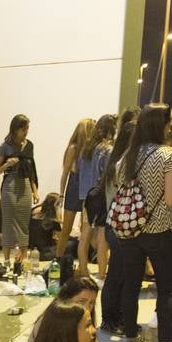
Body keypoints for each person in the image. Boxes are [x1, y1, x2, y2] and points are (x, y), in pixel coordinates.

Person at [112, 104, 172, 342]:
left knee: (130, 283)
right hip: (159, 230)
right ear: (162, 125)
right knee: (166, 289)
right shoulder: (169, 155)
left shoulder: (126, 156)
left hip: (129, 231)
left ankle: (131, 340)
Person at [57, 115, 116, 280]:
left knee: (85, 234)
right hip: (92, 194)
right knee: (95, 236)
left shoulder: (86, 150)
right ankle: (100, 274)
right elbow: (109, 175)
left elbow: (81, 174)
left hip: (86, 196)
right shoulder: (101, 149)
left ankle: (83, 270)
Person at [98, 113, 138, 330]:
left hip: (113, 226)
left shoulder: (114, 162)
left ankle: (111, 318)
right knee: (119, 275)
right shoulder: (124, 166)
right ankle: (111, 318)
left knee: (117, 274)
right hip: (122, 227)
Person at [0, 114, 39, 272]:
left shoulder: (29, 146)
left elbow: (31, 170)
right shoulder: (5, 146)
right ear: (15, 129)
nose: (26, 131)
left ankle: (22, 261)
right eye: (23, 128)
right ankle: (6, 261)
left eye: (27, 128)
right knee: (8, 223)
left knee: (23, 224)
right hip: (10, 185)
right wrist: (7, 164)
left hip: (25, 185)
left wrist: (35, 191)